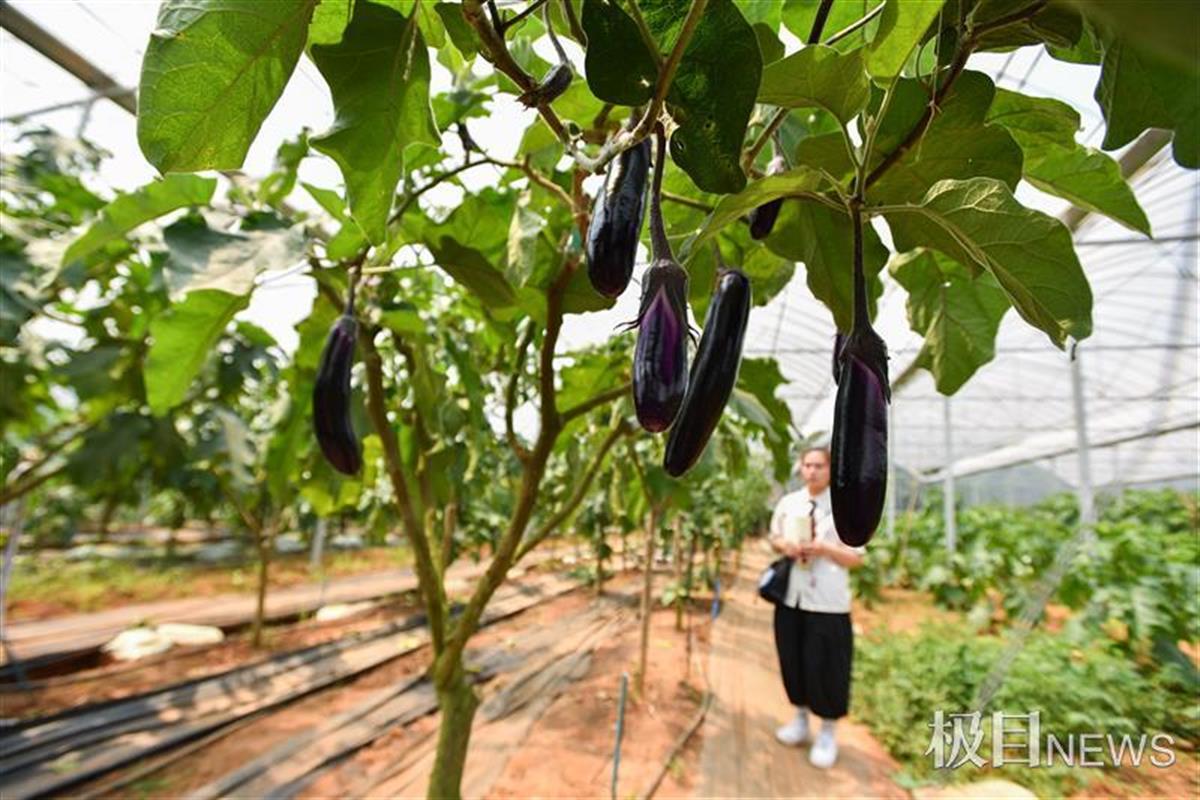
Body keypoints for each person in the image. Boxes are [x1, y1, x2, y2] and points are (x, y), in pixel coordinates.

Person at [766, 446, 865, 769]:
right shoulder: (789, 502)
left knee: (827, 666)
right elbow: (774, 537)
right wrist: (788, 547)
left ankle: (827, 731)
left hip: (827, 602)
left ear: (830, 468)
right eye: (807, 465)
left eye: (819, 465)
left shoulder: (846, 507)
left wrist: (823, 548)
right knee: (793, 659)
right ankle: (799, 719)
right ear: (801, 468)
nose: (812, 471)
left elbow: (856, 558)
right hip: (792, 597)